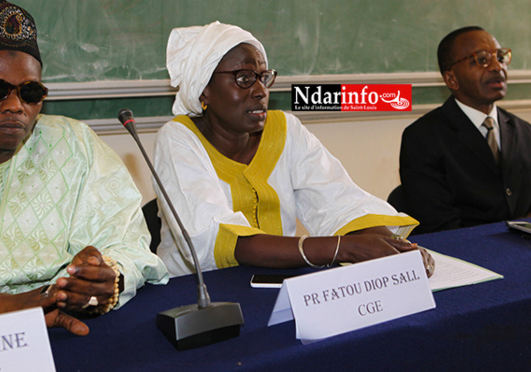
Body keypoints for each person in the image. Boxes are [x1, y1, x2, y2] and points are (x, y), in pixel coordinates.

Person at [0, 0, 168, 335]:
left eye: (30, 92)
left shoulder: (76, 145)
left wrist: (104, 279)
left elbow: (128, 244)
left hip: (61, 329)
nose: (15, 106)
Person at [154, 21, 434, 278]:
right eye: (243, 78)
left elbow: (340, 202)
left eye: (263, 77)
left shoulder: (285, 130)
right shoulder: (178, 139)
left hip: (277, 285)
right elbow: (211, 238)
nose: (261, 91)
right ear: (204, 90)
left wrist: (395, 247)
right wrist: (343, 249)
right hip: (195, 297)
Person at [399, 26, 531, 234]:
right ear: (451, 79)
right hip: (466, 254)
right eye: (481, 59)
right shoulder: (423, 138)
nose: (497, 67)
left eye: (500, 57)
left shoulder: (524, 131)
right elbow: (439, 227)